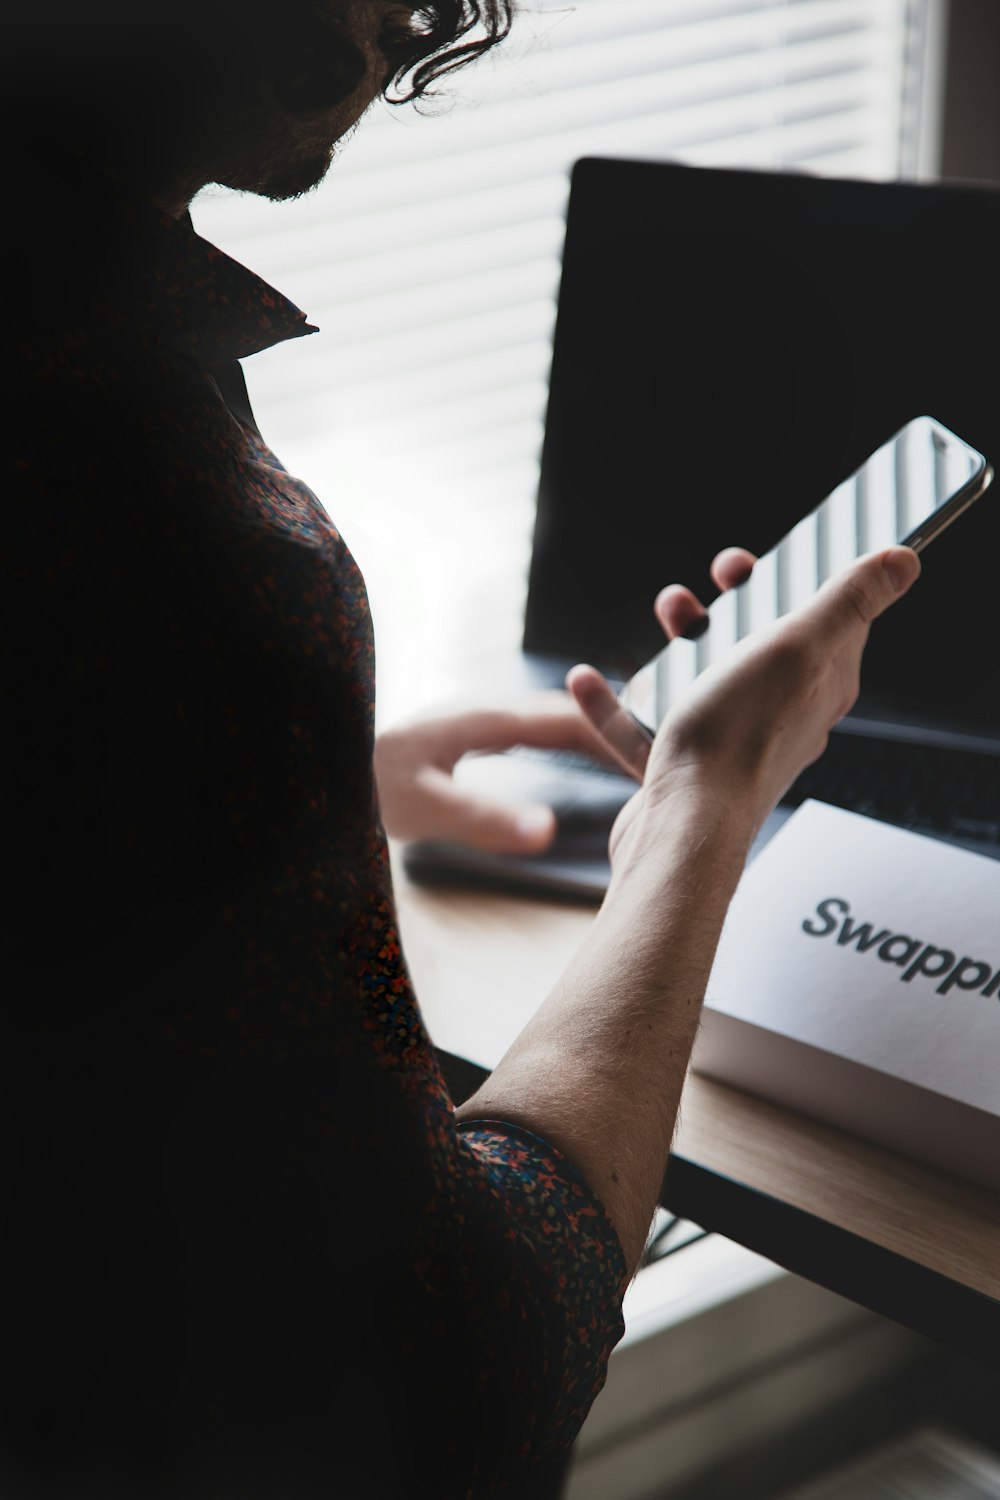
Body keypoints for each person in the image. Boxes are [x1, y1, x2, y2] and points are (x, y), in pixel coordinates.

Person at [1, 3, 921, 1497]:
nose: (414, 27)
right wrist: (702, 813)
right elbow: (456, 1384)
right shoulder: (155, 502)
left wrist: (279, 796)